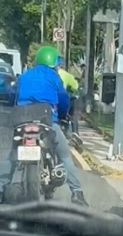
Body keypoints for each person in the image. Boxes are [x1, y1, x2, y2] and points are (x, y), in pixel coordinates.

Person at [2, 45, 88, 206]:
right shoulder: (54, 77)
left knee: (12, 156)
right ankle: (77, 193)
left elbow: (14, 97)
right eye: (57, 63)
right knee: (64, 155)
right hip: (47, 121)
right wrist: (63, 116)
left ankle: (0, 189)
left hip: (22, 120)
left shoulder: (25, 75)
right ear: (53, 63)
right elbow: (63, 100)